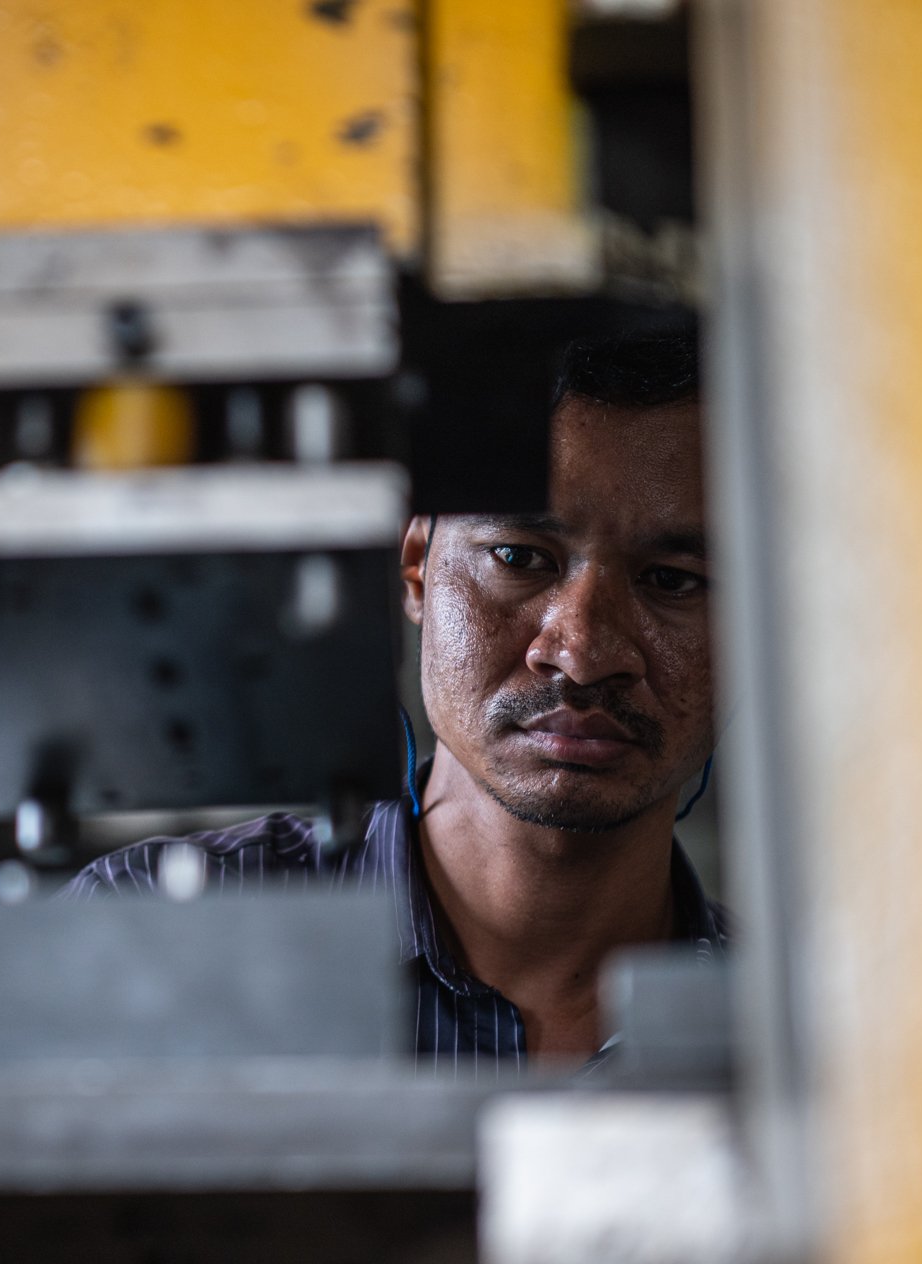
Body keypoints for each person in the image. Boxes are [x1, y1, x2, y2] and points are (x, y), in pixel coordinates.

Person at [62, 330, 724, 1070]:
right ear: (417, 567)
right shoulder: (150, 934)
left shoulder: (814, 1024)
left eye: (671, 580)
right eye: (518, 557)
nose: (581, 650)